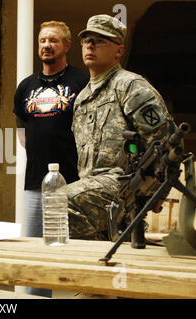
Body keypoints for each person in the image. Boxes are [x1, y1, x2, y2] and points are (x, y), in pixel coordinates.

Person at [59, 14, 176, 242]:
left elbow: (165, 142)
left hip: (124, 183)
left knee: (60, 201)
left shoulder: (130, 86)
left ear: (119, 51)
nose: (90, 45)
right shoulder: (82, 98)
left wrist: (159, 192)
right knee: (94, 253)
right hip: (93, 187)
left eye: (100, 40)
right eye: (86, 40)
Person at [12, 21, 89, 297]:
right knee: (35, 253)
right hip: (35, 182)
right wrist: (34, 150)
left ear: (67, 46)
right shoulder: (26, 86)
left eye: (54, 40)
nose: (46, 45)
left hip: (76, 182)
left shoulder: (82, 81)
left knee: (77, 251)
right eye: (43, 40)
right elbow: (21, 126)